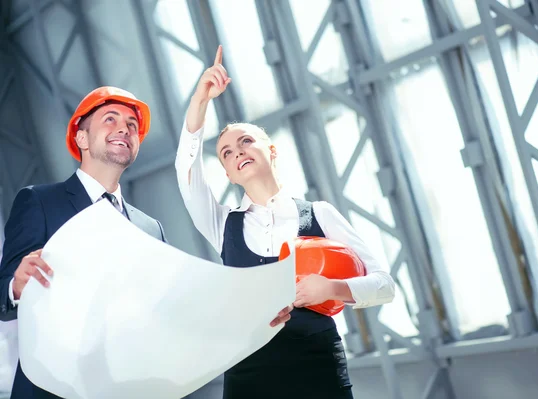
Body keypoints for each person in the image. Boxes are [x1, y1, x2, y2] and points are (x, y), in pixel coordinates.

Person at [0, 86, 292, 399]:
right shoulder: (40, 202)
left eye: (132, 125)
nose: (124, 128)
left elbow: (174, 314)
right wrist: (15, 287)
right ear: (81, 138)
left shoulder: (149, 229)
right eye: (110, 119)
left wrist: (252, 317)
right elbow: (5, 288)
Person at [175, 46, 396, 399]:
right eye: (226, 153)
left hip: (317, 362)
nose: (237, 152)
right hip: (248, 371)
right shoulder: (222, 225)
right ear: (229, 174)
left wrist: (333, 290)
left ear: (271, 150)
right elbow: (185, 173)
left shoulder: (318, 213)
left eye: (246, 141)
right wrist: (200, 100)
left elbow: (385, 285)